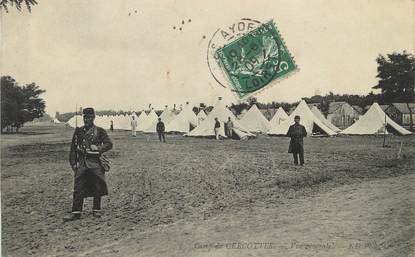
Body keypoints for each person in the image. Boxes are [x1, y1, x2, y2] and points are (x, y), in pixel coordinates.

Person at [64, 108, 113, 221]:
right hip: (82, 163)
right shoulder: (78, 131)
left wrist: (98, 148)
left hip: (95, 163)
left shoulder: (99, 131)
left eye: (89, 117)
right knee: (78, 187)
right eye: (85, 117)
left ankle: (96, 210)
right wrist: (73, 164)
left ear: (93, 117)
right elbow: (73, 150)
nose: (87, 119)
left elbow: (109, 144)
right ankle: (76, 212)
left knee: (97, 186)